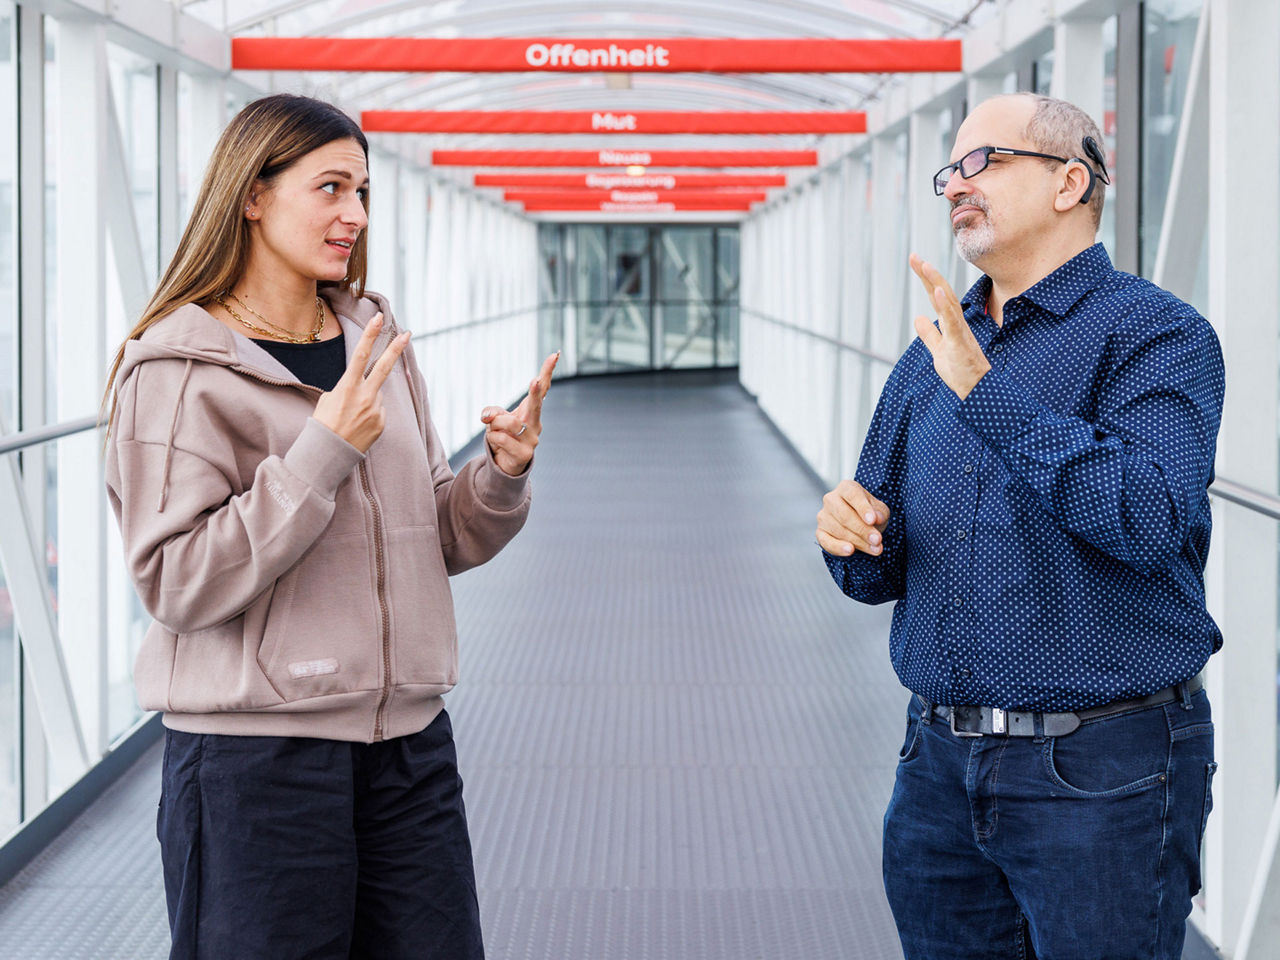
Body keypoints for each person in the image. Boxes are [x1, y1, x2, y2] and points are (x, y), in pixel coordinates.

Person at [104, 93, 557, 959]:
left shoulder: (375, 342)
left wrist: (502, 474)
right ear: (253, 194)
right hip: (256, 768)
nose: (354, 214)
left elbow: (439, 537)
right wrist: (320, 453)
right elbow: (176, 582)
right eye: (331, 187)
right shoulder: (175, 368)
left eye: (363, 192)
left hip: (409, 752)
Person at [816, 93, 1224, 959]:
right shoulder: (933, 357)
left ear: (1071, 180)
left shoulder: (1158, 336)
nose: (957, 186)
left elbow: (1146, 515)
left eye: (984, 163)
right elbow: (876, 570)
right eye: (950, 171)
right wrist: (847, 533)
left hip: (1104, 774)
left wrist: (985, 392)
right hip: (934, 767)